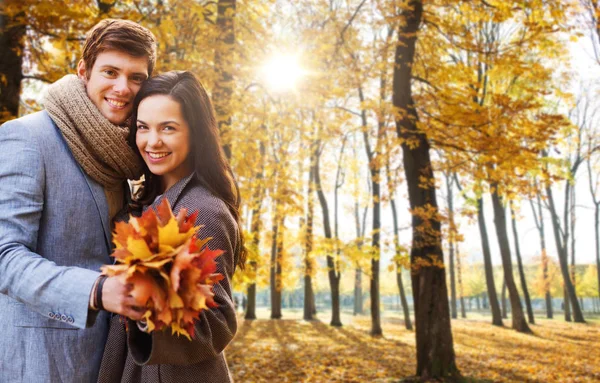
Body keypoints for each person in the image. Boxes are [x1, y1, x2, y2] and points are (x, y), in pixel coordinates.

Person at [0, 19, 156, 382]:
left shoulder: (123, 157)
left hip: (108, 363)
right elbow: (5, 256)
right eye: (111, 72)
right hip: (41, 365)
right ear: (84, 71)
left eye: (136, 77)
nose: (123, 88)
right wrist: (97, 290)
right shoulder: (27, 138)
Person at [97, 71, 246, 383]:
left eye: (168, 128)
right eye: (143, 127)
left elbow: (217, 321)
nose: (153, 141)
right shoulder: (147, 202)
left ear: (196, 134)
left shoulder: (202, 210)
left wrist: (141, 304)